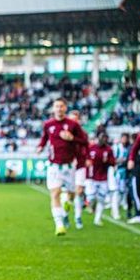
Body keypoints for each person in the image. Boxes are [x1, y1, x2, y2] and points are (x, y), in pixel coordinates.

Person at [37, 98, 87, 236]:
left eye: (61, 106)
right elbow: (44, 138)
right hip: (54, 166)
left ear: (65, 108)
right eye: (56, 106)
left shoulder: (73, 125)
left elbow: (84, 141)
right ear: (53, 109)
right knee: (55, 193)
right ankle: (59, 225)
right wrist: (40, 146)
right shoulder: (48, 124)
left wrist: (72, 138)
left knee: (71, 194)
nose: (59, 109)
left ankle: (67, 204)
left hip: (70, 166)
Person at [86, 133, 115, 226]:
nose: (103, 139)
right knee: (91, 198)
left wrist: (108, 161)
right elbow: (86, 159)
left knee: (101, 199)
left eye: (105, 138)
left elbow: (113, 162)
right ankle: (91, 206)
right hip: (91, 177)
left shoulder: (109, 150)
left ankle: (97, 219)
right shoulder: (91, 148)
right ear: (98, 138)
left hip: (103, 178)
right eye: (102, 137)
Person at [67, 110, 89, 229]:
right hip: (68, 165)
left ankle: (78, 217)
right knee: (70, 194)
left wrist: (88, 158)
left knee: (79, 191)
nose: (73, 121)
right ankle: (65, 214)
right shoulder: (64, 132)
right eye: (71, 119)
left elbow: (86, 143)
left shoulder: (83, 133)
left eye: (75, 119)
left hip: (80, 164)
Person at [111, 133, 131, 219]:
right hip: (118, 171)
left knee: (123, 191)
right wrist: (120, 160)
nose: (124, 140)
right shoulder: (117, 147)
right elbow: (112, 159)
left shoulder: (127, 148)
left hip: (125, 171)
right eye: (123, 138)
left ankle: (118, 207)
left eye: (126, 138)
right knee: (117, 191)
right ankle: (115, 210)